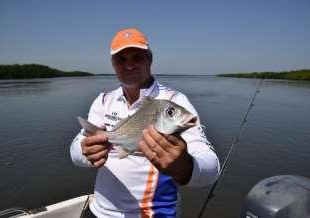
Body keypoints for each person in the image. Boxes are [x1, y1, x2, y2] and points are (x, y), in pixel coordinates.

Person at [70, 27, 220, 218]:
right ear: (113, 64)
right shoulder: (103, 100)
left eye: (137, 57)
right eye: (121, 59)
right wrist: (86, 153)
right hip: (99, 211)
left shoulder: (174, 101)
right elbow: (75, 151)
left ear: (149, 59)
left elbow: (211, 167)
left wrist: (185, 167)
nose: (129, 65)